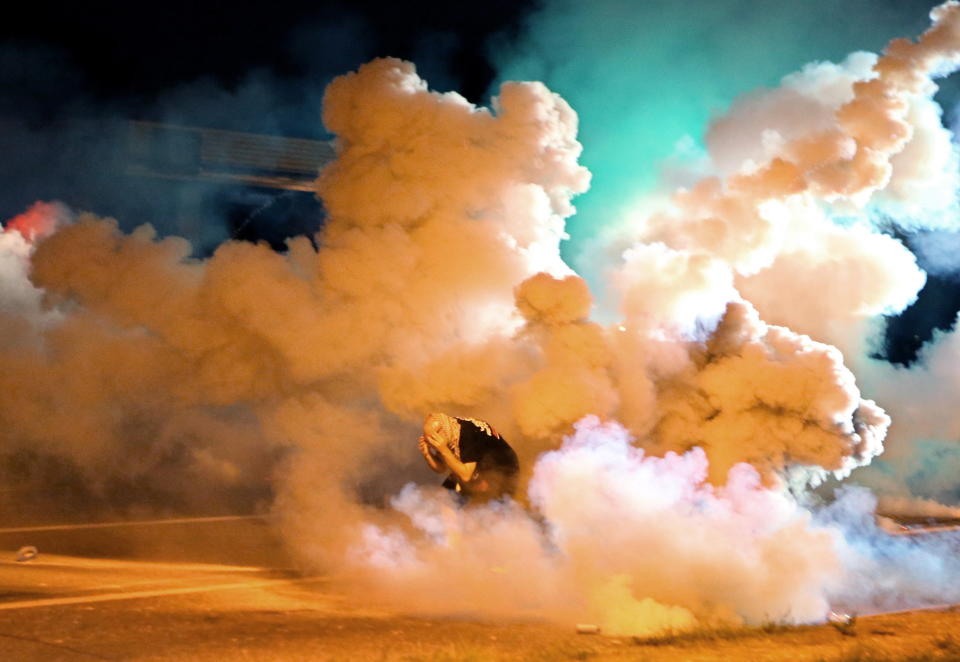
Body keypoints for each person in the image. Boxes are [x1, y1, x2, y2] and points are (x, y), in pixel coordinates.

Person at [417, 412, 519, 503]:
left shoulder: (468, 436)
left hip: (502, 473)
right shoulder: (451, 430)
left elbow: (465, 476)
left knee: (464, 499)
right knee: (445, 497)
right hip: (478, 468)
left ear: (443, 432)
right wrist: (428, 454)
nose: (431, 442)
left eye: (433, 438)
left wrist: (443, 449)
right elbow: (442, 467)